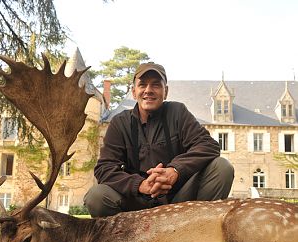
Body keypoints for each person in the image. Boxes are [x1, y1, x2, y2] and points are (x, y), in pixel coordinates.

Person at [84, 62, 234, 217]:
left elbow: (208, 145)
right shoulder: (120, 123)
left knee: (222, 167)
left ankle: (198, 232)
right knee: (96, 196)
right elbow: (105, 168)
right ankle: (121, 239)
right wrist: (139, 185)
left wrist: (175, 170)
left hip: (177, 201)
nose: (148, 90)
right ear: (134, 92)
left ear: (166, 91)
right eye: (142, 85)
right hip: (134, 203)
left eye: (156, 85)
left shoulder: (178, 113)